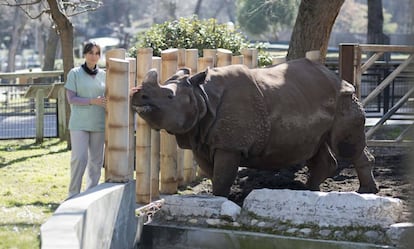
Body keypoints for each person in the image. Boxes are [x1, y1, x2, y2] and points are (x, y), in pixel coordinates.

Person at [64, 41, 107, 199]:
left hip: (99, 123)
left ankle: (91, 193)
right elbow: (71, 99)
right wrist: (92, 101)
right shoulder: (74, 73)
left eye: (97, 53)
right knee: (79, 158)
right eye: (91, 52)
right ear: (84, 54)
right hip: (79, 123)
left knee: (96, 161)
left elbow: (115, 92)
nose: (94, 56)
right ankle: (73, 194)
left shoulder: (104, 75)